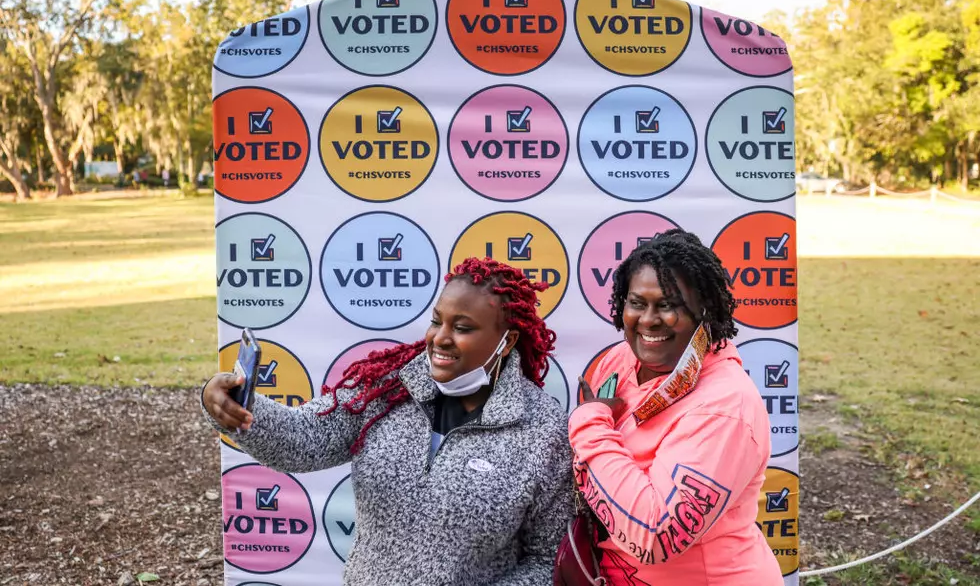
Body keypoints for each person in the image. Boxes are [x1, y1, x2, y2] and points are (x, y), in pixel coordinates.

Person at [202, 257, 574, 586]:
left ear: (506, 342)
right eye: (436, 322)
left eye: (462, 328)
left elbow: (547, 561)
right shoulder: (388, 389)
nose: (440, 339)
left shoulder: (541, 431)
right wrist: (235, 404)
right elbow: (304, 438)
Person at [569, 229, 782, 585]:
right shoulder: (618, 361)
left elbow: (655, 536)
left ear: (704, 310)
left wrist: (589, 424)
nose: (649, 320)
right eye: (637, 302)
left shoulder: (726, 406)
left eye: (668, 305)